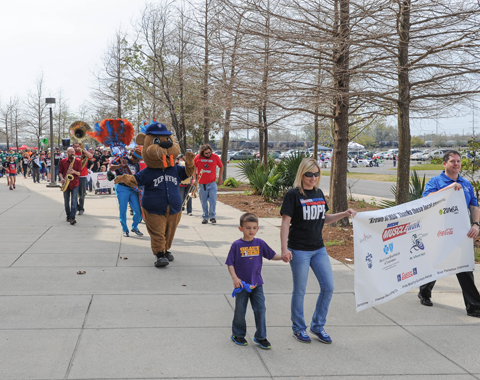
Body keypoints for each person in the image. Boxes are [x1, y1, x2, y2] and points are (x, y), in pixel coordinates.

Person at [280, 157, 357, 344]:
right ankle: (298, 328)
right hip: (298, 250)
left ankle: (317, 325)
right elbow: (285, 223)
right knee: (300, 290)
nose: (313, 178)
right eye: (309, 174)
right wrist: (284, 249)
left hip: (319, 249)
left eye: (316, 174)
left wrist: (344, 214)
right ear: (302, 174)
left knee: (328, 287)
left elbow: (324, 218)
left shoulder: (319, 193)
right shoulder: (293, 195)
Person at [417, 150, 480, 318]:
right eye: (452, 161)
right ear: (445, 164)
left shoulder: (466, 184)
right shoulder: (436, 181)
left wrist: (476, 224)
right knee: (436, 263)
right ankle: (424, 292)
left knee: (465, 268)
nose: (456, 164)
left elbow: (474, 206)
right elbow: (427, 199)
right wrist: (448, 188)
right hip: (440, 232)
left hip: (461, 233)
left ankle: (474, 307)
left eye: (458, 161)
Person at [226, 213, 284, 349]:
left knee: (260, 309)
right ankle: (238, 334)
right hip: (242, 285)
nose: (251, 231)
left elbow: (272, 255)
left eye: (254, 228)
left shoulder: (260, 243)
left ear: (258, 229)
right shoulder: (237, 245)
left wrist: (283, 257)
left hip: (257, 284)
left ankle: (261, 337)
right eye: (247, 228)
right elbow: (230, 263)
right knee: (240, 310)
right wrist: (235, 278)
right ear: (241, 229)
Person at [109, 149, 143, 237]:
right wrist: (121, 165)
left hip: (132, 188)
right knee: (123, 210)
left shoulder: (137, 164)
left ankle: (134, 227)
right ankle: (125, 229)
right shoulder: (121, 159)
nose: (138, 162)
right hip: (122, 187)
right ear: (133, 157)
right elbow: (110, 168)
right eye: (137, 160)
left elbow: (138, 175)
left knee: (138, 210)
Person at [194, 144, 224, 224]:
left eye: (209, 152)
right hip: (201, 183)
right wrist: (194, 179)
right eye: (206, 153)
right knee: (203, 201)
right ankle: (205, 217)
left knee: (213, 199)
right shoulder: (197, 157)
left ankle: (212, 216)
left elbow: (221, 166)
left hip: (212, 183)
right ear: (202, 153)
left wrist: (220, 177)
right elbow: (194, 168)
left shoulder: (215, 157)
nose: (208, 154)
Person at [59, 147, 82, 225]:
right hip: (66, 183)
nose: (72, 153)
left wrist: (74, 172)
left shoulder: (78, 161)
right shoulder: (63, 161)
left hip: (75, 183)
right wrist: (62, 178)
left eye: (73, 152)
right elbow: (60, 172)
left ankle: (72, 218)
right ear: (67, 153)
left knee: (74, 201)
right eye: (70, 152)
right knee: (66, 201)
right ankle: (68, 215)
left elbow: (80, 173)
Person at [73, 142, 93, 215]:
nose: (77, 148)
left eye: (78, 146)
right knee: (74, 193)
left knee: (82, 193)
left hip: (83, 175)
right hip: (74, 175)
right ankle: (76, 207)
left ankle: (81, 208)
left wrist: (83, 150)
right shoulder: (72, 153)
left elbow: (91, 156)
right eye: (75, 146)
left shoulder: (84, 153)